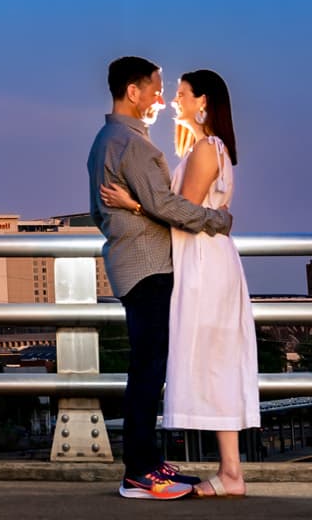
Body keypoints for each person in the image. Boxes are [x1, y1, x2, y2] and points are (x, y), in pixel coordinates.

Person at [104, 68, 259, 498]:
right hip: (203, 261)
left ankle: (230, 473)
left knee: (216, 361)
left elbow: (182, 212)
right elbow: (184, 210)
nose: (174, 100)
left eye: (182, 94)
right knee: (216, 361)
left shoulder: (207, 148)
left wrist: (133, 203)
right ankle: (230, 473)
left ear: (203, 102)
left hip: (205, 264)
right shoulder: (205, 147)